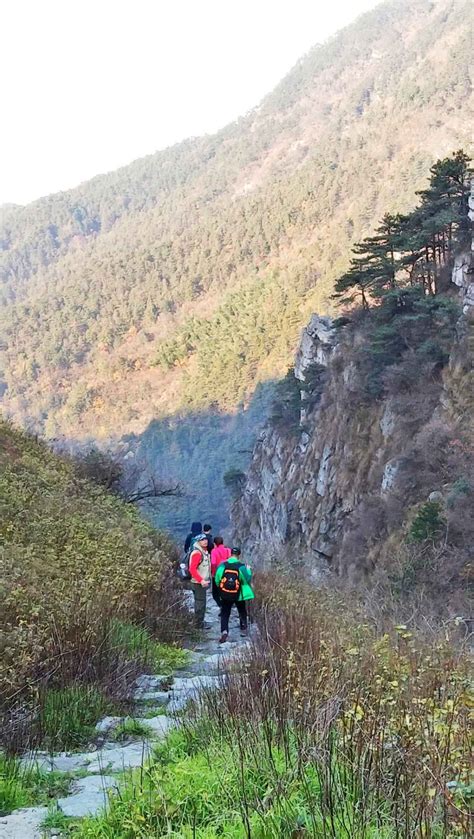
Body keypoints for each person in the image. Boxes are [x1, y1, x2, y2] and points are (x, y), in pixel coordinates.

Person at [214, 547, 254, 643]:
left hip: (226, 594)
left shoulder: (222, 566)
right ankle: (243, 629)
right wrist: (248, 570)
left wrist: (222, 589)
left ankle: (224, 631)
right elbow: (247, 579)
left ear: (230, 554)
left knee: (225, 613)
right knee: (241, 610)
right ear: (239, 555)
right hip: (238, 594)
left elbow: (217, 579)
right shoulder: (242, 567)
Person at [188, 533, 211, 629]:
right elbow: (192, 569)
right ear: (198, 542)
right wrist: (201, 580)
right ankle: (198, 624)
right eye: (202, 540)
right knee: (200, 603)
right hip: (198, 583)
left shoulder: (203, 551)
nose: (205, 541)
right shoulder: (197, 553)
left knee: (200, 602)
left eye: (206, 539)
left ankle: (199, 622)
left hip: (201, 582)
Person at [210, 536, 231, 608]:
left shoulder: (214, 551)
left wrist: (213, 573)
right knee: (225, 591)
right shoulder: (228, 550)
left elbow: (213, 563)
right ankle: (226, 607)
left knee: (215, 594)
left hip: (217, 574)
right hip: (228, 574)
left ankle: (221, 606)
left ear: (215, 544)